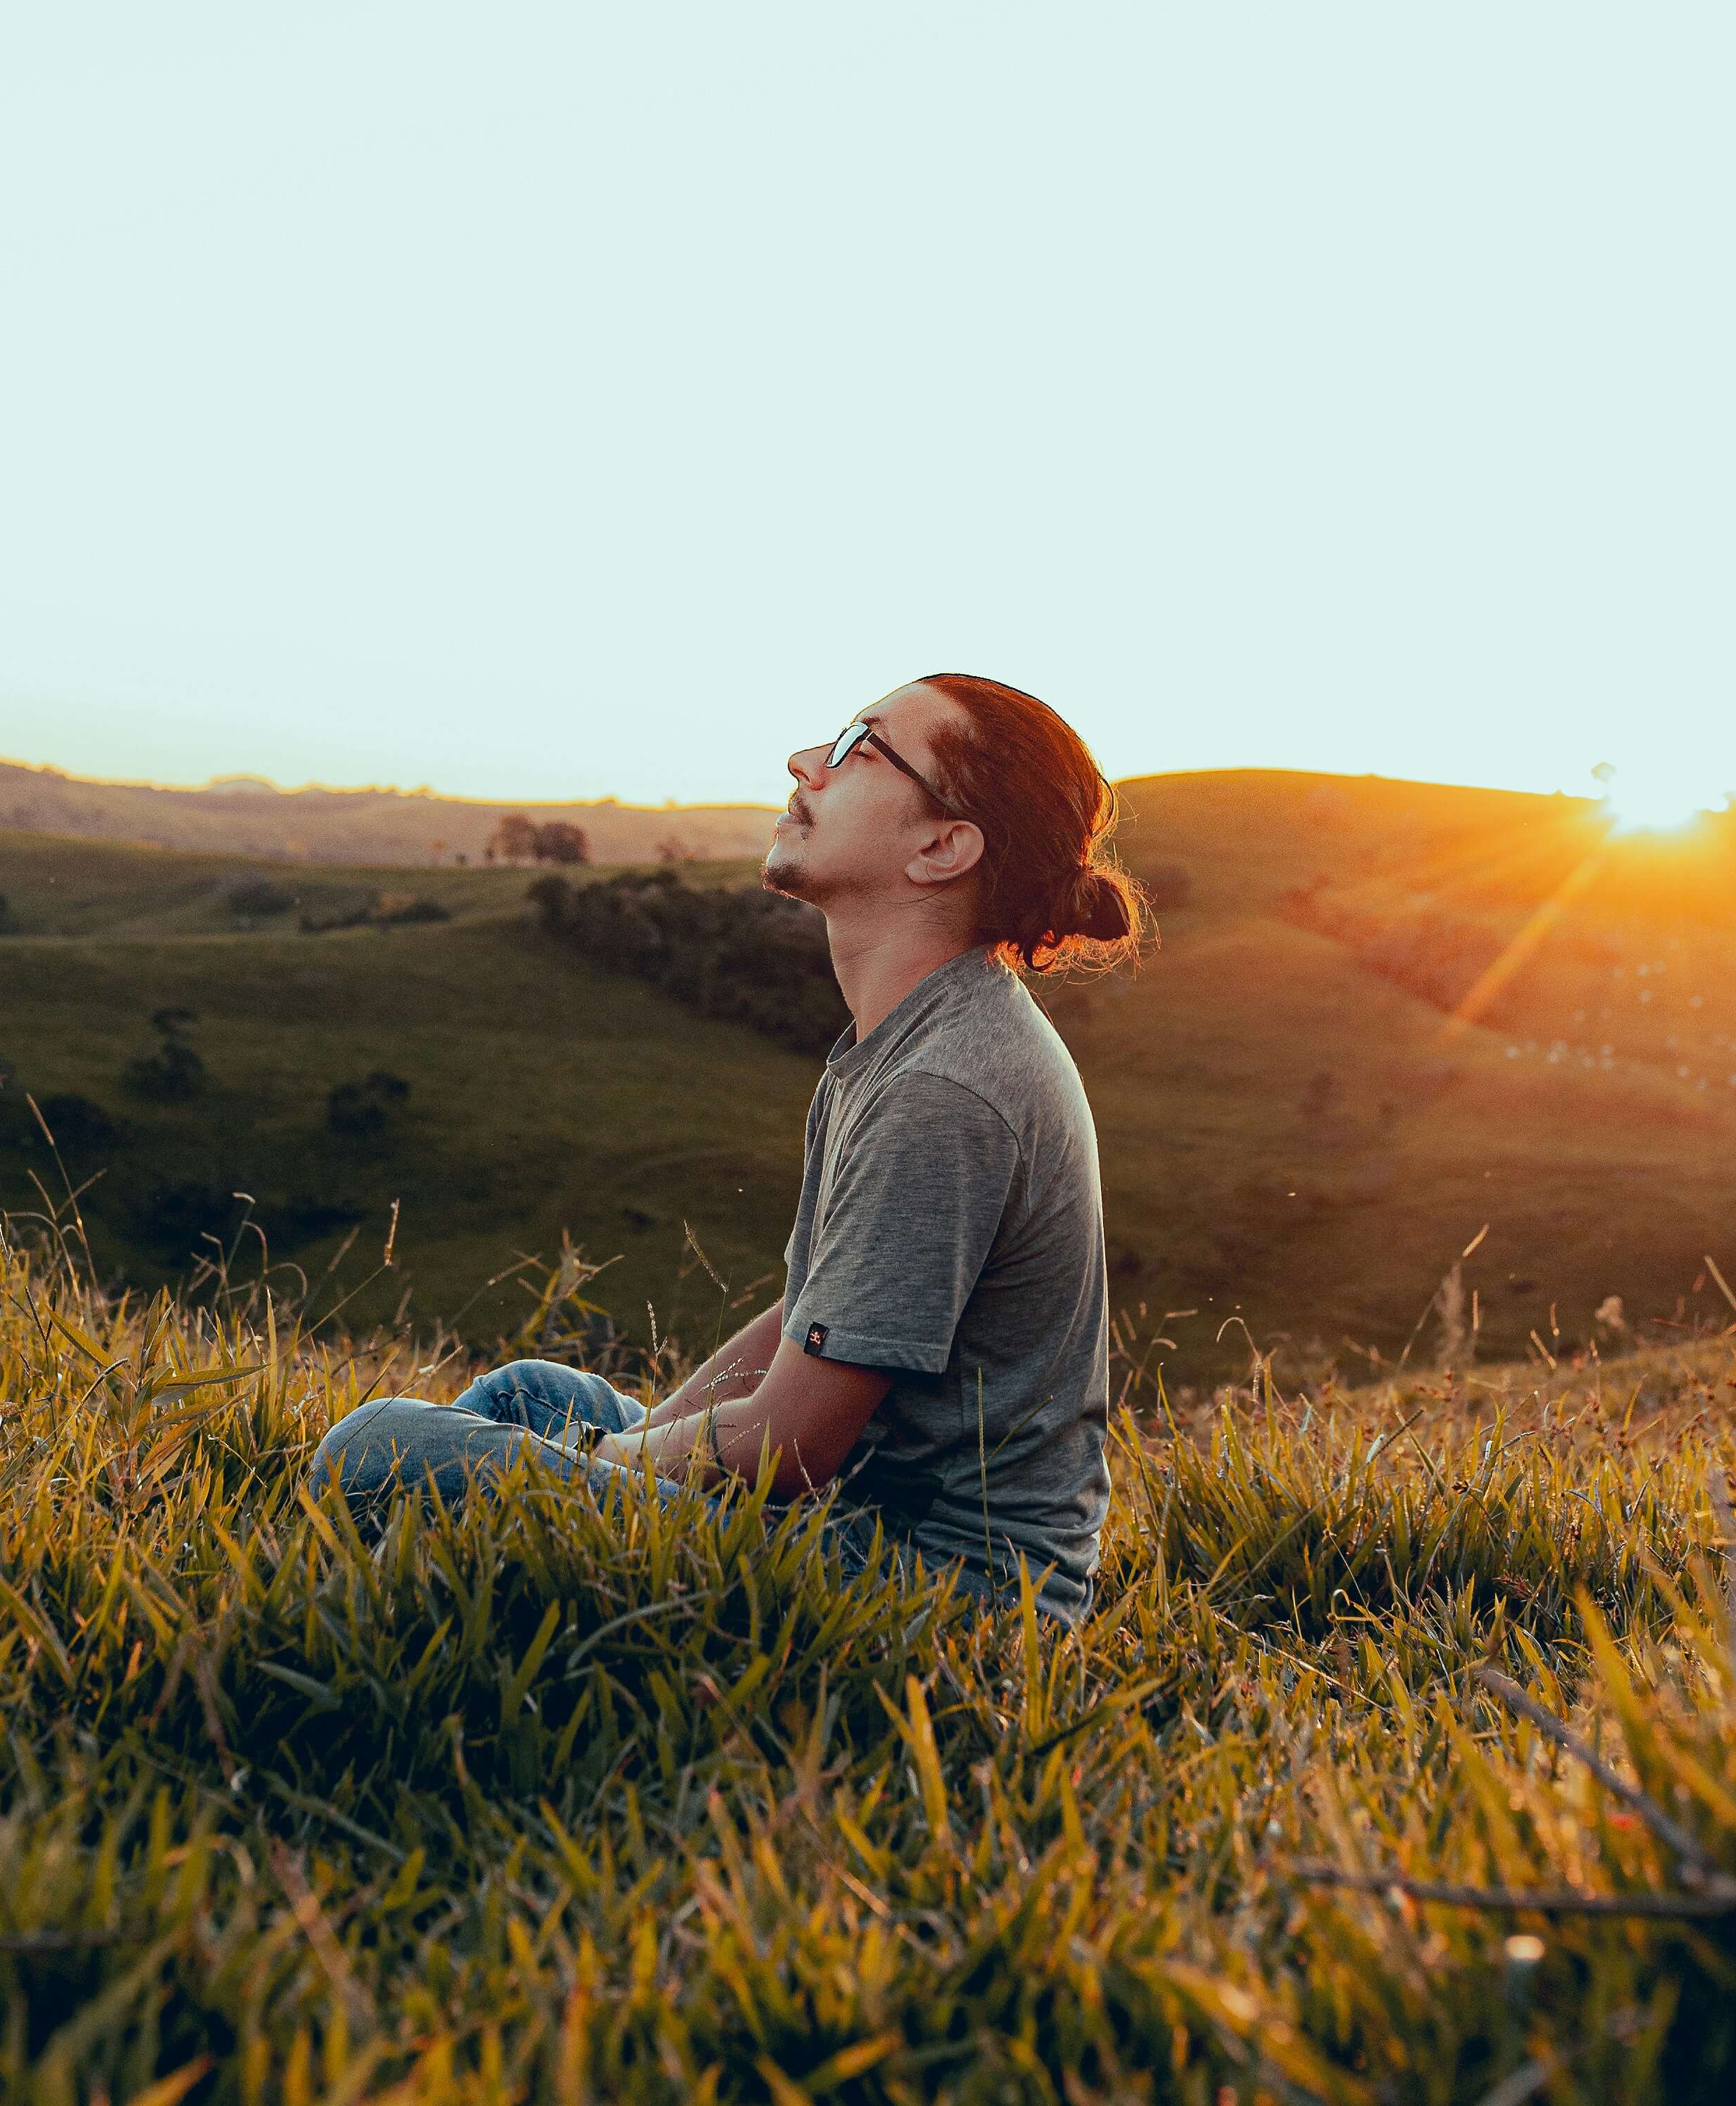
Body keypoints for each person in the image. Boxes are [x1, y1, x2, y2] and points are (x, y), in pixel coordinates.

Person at [308, 675, 1144, 1623]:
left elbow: (789, 1447)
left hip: (945, 1596)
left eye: (857, 747)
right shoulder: (922, 1039)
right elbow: (814, 1315)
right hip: (864, 1533)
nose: (803, 764)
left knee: (373, 1446)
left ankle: (425, 1601)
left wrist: (598, 1466)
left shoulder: (941, 1089)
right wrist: (632, 1454)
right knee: (531, 1394)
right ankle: (436, 1596)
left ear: (942, 848)